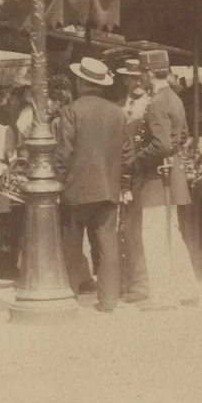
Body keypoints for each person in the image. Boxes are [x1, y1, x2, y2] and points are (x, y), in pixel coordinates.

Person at [53, 58, 135, 313]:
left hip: (75, 190)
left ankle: (71, 296)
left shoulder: (72, 111)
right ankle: (108, 301)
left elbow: (63, 153)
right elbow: (128, 155)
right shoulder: (117, 113)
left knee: (71, 247)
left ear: (80, 82)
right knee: (107, 247)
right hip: (108, 191)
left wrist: (58, 180)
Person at [136, 66, 199, 310]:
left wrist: (137, 160)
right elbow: (182, 136)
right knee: (171, 233)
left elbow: (160, 145)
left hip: (156, 178)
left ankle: (163, 296)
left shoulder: (156, 102)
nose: (140, 79)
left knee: (154, 236)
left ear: (149, 74)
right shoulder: (175, 98)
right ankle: (187, 289)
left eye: (142, 74)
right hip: (172, 172)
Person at [116, 58, 151, 304]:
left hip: (144, 177)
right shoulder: (117, 108)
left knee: (138, 231)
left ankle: (139, 283)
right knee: (120, 230)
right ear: (126, 79)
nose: (137, 82)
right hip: (118, 176)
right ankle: (122, 281)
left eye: (141, 77)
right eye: (132, 77)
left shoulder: (153, 106)